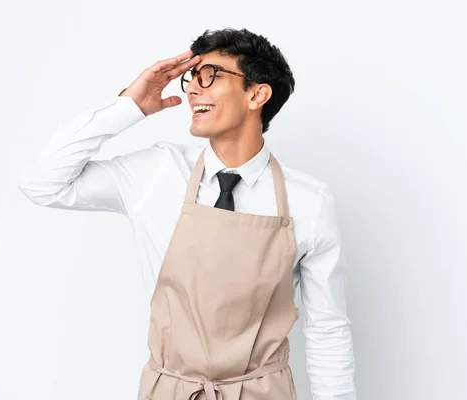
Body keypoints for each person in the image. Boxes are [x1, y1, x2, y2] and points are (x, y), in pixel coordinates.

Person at [19, 28, 356, 400]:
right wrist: (129, 106)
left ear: (257, 94)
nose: (193, 89)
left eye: (210, 75)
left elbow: (327, 329)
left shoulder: (308, 201)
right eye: (191, 78)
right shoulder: (157, 172)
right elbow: (42, 184)